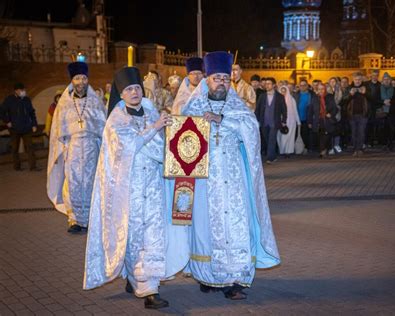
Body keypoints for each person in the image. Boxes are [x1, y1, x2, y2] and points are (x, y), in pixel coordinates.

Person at [84, 66, 187, 309]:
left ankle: (148, 286)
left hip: (153, 188)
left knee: (153, 236)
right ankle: (139, 282)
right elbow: (130, 146)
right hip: (128, 190)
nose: (134, 92)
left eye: (137, 88)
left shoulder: (152, 113)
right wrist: (155, 129)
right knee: (134, 237)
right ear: (121, 94)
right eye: (129, 89)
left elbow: (165, 148)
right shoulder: (116, 121)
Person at [180, 51, 280, 300]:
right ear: (207, 79)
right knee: (205, 227)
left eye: (226, 78)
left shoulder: (238, 106)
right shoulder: (192, 106)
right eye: (217, 78)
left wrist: (222, 120)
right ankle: (207, 277)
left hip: (234, 181)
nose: (222, 82)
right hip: (205, 181)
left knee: (235, 227)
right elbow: (181, 141)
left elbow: (251, 130)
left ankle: (235, 280)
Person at [47, 61, 106, 233]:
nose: (81, 81)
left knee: (91, 182)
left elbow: (103, 128)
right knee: (72, 182)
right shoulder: (64, 104)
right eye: (77, 78)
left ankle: (90, 219)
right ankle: (75, 220)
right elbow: (58, 130)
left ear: (88, 80)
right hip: (72, 149)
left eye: (84, 78)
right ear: (72, 81)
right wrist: (62, 150)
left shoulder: (95, 102)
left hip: (91, 149)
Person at [1, 83, 39, 171]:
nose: (24, 92)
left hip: (27, 128)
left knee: (30, 147)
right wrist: (7, 121)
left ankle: (33, 167)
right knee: (15, 149)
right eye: (22, 90)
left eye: (24, 90)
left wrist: (34, 124)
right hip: (14, 129)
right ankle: (17, 167)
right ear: (16, 91)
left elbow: (32, 113)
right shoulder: (9, 100)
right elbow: (2, 112)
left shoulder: (26, 99)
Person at [255, 77, 287, 163]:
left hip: (275, 122)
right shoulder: (262, 96)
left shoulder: (280, 97)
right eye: (266, 84)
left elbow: (284, 110)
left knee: (271, 140)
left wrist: (284, 121)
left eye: (269, 84)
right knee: (267, 139)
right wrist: (256, 120)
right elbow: (257, 109)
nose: (267, 85)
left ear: (273, 85)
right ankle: (274, 155)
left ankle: (270, 158)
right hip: (264, 122)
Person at [308, 83, 337, 158]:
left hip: (327, 119)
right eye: (319, 89)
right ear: (317, 90)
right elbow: (310, 110)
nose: (321, 91)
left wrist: (331, 114)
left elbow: (335, 108)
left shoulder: (329, 97)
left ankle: (323, 151)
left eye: (322, 89)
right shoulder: (314, 98)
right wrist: (310, 121)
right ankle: (323, 150)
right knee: (320, 136)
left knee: (326, 135)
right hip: (318, 120)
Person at [347, 72, 369, 156]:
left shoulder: (366, 87)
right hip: (352, 114)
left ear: (362, 79)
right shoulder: (350, 88)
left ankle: (359, 149)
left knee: (361, 132)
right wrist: (350, 94)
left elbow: (372, 98)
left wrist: (365, 93)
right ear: (353, 79)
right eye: (356, 79)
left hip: (363, 114)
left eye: (359, 79)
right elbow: (344, 101)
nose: (358, 81)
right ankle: (355, 149)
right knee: (353, 132)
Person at [277, 85, 300, 157]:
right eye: (281, 91)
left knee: (289, 137)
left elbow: (295, 111)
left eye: (284, 91)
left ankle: (288, 151)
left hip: (291, 121)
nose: (283, 93)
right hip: (280, 121)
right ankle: (282, 151)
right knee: (281, 137)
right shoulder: (277, 100)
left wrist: (298, 121)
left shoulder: (291, 99)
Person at [294, 79, 316, 151]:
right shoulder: (296, 94)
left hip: (307, 118)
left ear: (307, 86)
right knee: (297, 134)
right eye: (301, 85)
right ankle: (298, 149)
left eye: (304, 85)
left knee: (306, 135)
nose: (302, 87)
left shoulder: (312, 95)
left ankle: (306, 148)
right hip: (297, 118)